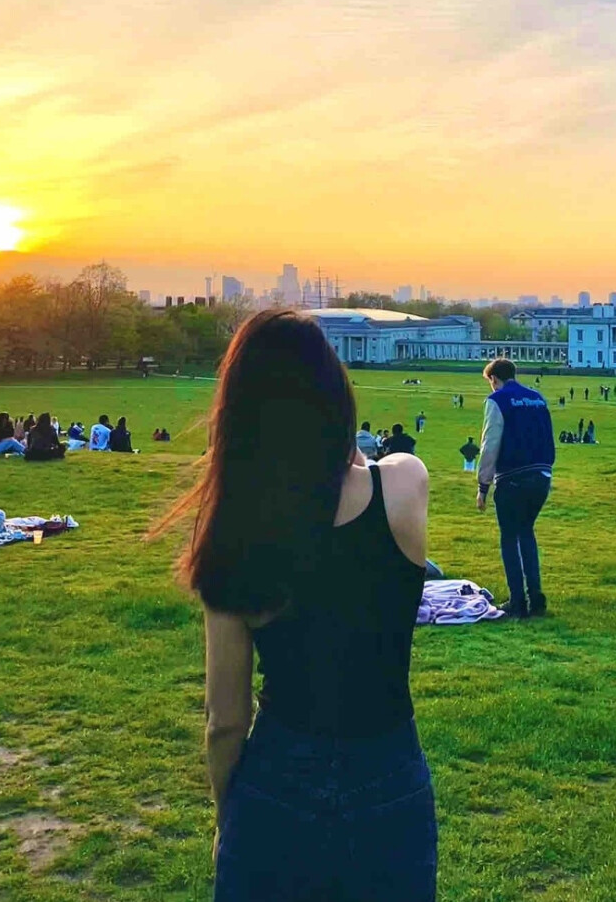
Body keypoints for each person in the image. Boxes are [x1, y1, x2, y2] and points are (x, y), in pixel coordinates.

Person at [153, 309, 435, 901]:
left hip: (279, 775)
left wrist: (229, 818)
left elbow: (225, 720)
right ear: (335, 392)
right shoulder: (401, 487)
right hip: (389, 769)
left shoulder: (232, 529)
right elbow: (374, 466)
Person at [476, 358, 554, 619]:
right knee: (527, 534)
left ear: (494, 379)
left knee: (509, 538)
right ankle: (537, 597)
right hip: (541, 475)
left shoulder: (498, 400)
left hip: (512, 477)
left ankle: (518, 601)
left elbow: (490, 443)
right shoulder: (538, 398)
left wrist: (483, 485)